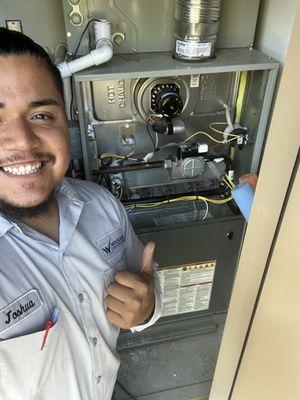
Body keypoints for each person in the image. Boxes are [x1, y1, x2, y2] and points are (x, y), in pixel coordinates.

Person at [0, 27, 162, 400]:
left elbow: (144, 284)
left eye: (41, 115)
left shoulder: (101, 206)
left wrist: (148, 307)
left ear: (66, 122)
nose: (23, 141)